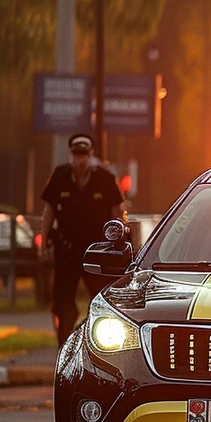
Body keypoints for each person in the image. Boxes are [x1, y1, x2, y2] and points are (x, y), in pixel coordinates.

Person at [40, 134, 125, 345]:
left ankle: (98, 345)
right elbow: (48, 211)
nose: (81, 160)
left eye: (84, 155)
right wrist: (43, 246)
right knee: (63, 304)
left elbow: (117, 213)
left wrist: (120, 243)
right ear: (71, 156)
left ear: (91, 155)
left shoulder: (104, 179)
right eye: (77, 155)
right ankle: (64, 346)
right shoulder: (60, 176)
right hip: (66, 249)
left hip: (97, 252)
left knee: (101, 300)